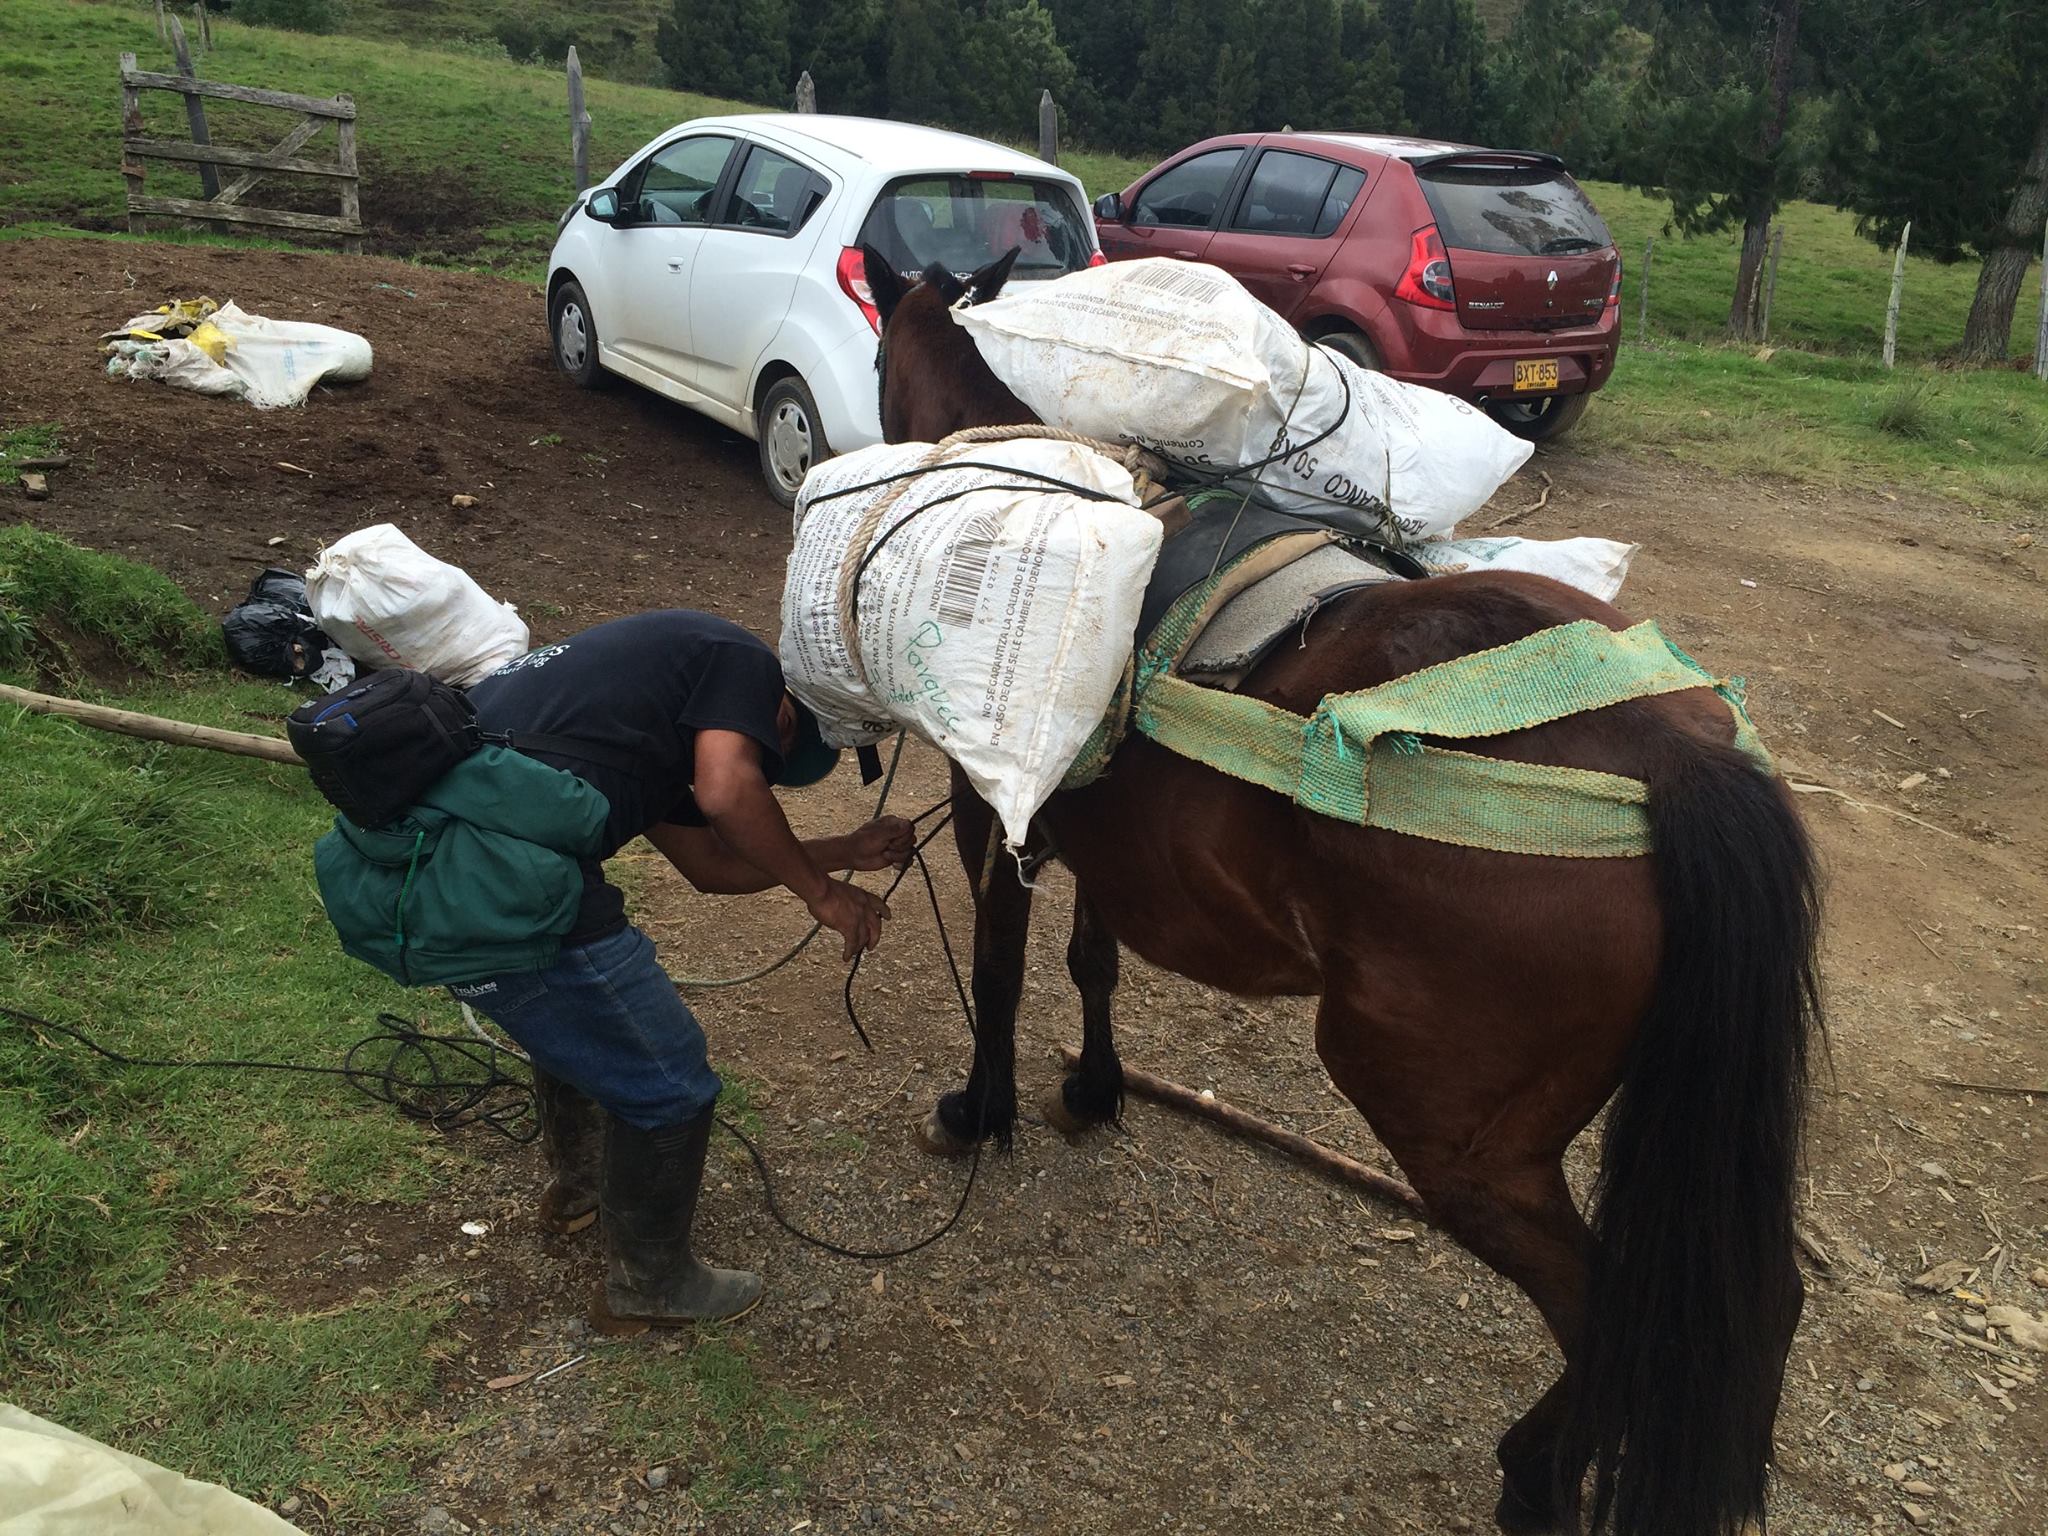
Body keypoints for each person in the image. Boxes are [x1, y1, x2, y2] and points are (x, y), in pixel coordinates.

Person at [453, 609, 913, 1329]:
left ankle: (580, 1189)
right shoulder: (736, 657)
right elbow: (729, 793)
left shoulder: (649, 713)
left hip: (452, 864)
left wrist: (842, 851)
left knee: (577, 1025)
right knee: (666, 1075)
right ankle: (650, 1286)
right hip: (490, 872)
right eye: (771, 750)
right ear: (782, 711)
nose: (759, 758)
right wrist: (821, 894)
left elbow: (713, 867)